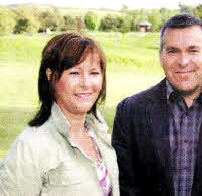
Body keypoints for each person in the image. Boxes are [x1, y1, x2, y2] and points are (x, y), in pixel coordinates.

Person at [111, 14, 202, 196]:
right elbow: (125, 186)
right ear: (161, 57)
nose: (183, 61)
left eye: (193, 50)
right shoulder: (130, 112)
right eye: (173, 51)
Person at [0, 33, 119, 195]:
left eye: (94, 73)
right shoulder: (30, 146)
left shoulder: (100, 135)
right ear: (50, 76)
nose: (86, 83)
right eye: (74, 73)